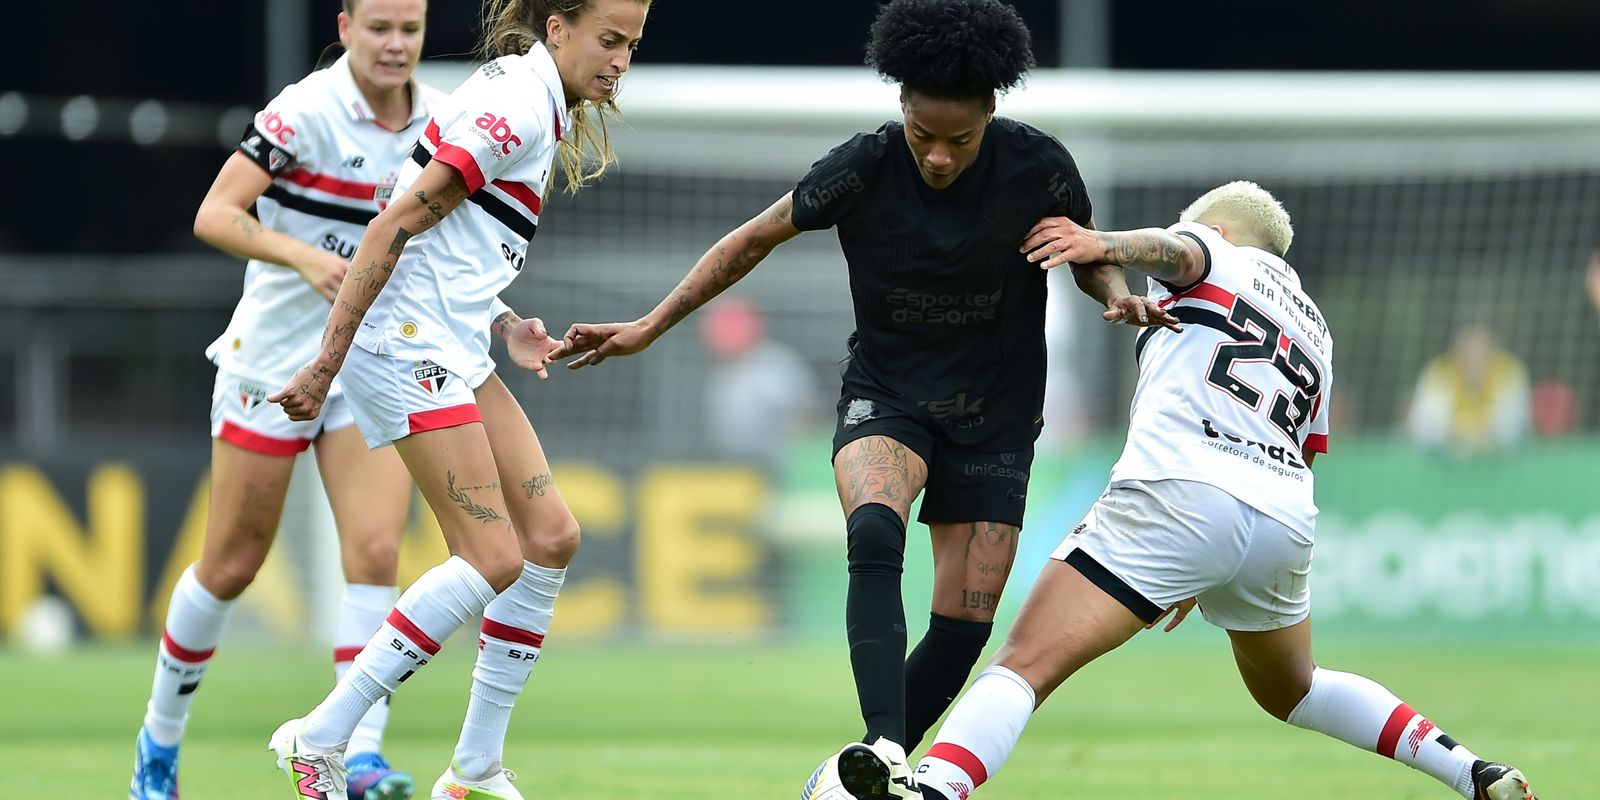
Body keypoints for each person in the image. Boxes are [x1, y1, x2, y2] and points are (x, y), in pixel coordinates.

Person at [550, 1, 1175, 794]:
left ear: (992, 112)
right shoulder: (862, 166)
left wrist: (1112, 287)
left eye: (960, 139)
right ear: (901, 108)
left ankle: (852, 782)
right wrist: (650, 325)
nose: (940, 157)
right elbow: (750, 240)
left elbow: (1080, 249)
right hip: (889, 395)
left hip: (997, 414)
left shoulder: (1039, 167)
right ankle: (884, 748)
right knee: (875, 528)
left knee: (965, 621)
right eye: (923, 135)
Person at [829, 182, 1536, 800]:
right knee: (1297, 688)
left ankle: (931, 790)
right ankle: (1472, 772)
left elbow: (1176, 253)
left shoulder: (1215, 250)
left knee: (1023, 664)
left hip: (1182, 487)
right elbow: (1308, 449)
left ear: (1218, 229)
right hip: (1282, 515)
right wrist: (1213, 562)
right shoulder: (1315, 329)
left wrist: (1096, 240)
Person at [263, 1, 647, 798]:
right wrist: (325, 365)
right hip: (405, 342)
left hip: (449, 337)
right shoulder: (516, 109)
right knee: (492, 556)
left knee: (550, 537)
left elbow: (449, 243)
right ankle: (319, 736)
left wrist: (504, 322)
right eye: (609, 41)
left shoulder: (531, 94)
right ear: (557, 27)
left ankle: (472, 769)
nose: (619, 61)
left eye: (632, 45)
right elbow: (394, 223)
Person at [130, 2, 439, 798]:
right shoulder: (301, 112)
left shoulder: (439, 123)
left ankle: (357, 756)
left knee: (375, 551)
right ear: (344, 27)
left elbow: (438, 254)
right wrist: (300, 256)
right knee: (232, 565)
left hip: (366, 364)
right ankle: (158, 747)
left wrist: (501, 321)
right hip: (273, 362)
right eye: (380, 28)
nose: (396, 44)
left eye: (410, 28)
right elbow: (215, 213)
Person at [697, 295, 820, 476]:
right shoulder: (723, 373)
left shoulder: (774, 366)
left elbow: (804, 418)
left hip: (780, 464)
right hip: (738, 467)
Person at [1405, 324, 1530, 457]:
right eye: (1468, 351)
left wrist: (1482, 437)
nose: (1474, 358)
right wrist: (1456, 436)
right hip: (1445, 459)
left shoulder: (1508, 371)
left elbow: (1512, 424)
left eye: (1482, 352)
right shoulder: (1440, 372)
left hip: (1499, 460)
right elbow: (1424, 425)